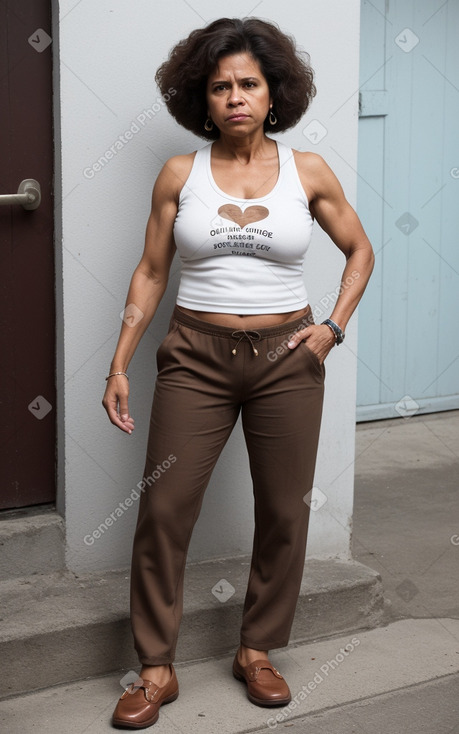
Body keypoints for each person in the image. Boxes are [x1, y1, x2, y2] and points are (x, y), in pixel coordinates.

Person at [104, 16, 374, 729]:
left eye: (248, 84)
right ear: (202, 96)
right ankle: (156, 667)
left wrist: (331, 328)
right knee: (164, 510)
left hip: (289, 358)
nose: (234, 98)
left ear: (272, 91)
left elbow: (359, 252)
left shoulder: (306, 171)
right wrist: (119, 364)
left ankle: (256, 649)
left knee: (285, 510)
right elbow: (151, 271)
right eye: (220, 86)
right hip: (195, 356)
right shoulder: (178, 174)